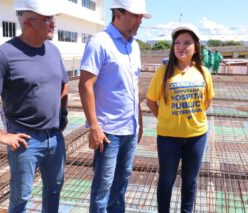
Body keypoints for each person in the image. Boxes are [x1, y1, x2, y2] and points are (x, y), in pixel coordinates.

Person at [0, 0, 69, 212]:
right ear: (28, 22)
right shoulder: (4, 54)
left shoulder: (53, 51)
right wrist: (0, 135)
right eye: (47, 19)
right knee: (21, 197)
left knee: (54, 189)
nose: (53, 23)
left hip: (54, 137)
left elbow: (64, 85)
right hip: (25, 139)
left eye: (53, 18)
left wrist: (62, 116)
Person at [78, 0, 150, 211]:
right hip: (108, 131)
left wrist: (140, 122)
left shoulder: (134, 45)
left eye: (141, 17)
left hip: (130, 128)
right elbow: (85, 85)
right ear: (118, 13)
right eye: (135, 16)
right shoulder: (100, 42)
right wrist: (94, 127)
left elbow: (132, 87)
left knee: (122, 182)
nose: (139, 21)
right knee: (103, 187)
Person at [146, 25, 214, 213]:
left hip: (197, 136)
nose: (180, 47)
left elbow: (206, 101)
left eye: (186, 42)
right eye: (177, 42)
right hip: (168, 138)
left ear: (196, 47)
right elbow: (151, 102)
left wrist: (191, 117)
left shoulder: (203, 72)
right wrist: (167, 118)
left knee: (190, 180)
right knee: (166, 179)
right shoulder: (162, 72)